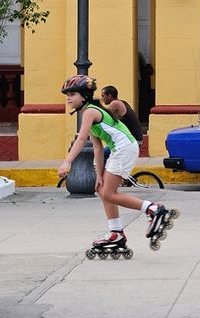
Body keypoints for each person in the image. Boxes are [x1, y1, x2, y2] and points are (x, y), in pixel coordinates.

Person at [57, 75, 177, 255]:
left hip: (124, 148)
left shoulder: (89, 111)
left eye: (72, 94)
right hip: (118, 150)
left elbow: (81, 139)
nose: (68, 98)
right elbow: (97, 147)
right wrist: (98, 175)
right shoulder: (89, 112)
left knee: (109, 193)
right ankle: (116, 233)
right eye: (67, 94)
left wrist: (67, 161)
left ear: (84, 96)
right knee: (102, 189)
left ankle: (153, 209)